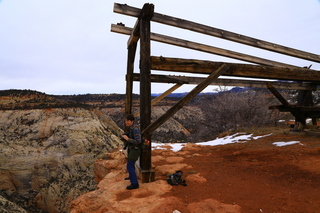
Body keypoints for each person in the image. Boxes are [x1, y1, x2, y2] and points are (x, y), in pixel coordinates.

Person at [121, 114, 141, 190]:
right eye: (126, 121)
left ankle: (135, 184)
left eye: (128, 121)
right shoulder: (131, 128)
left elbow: (138, 141)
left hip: (135, 149)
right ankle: (131, 177)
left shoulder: (135, 129)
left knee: (129, 165)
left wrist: (127, 139)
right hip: (132, 148)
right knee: (130, 165)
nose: (126, 122)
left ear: (132, 121)